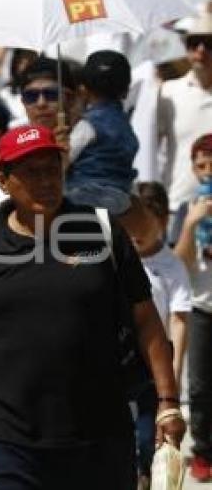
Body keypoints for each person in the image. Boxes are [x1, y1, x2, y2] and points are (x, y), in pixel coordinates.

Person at [0, 124, 185, 490]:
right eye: (31, 173)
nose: (45, 181)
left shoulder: (103, 232)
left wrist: (168, 401)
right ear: (2, 181)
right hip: (10, 443)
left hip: (101, 439)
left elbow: (147, 321)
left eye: (52, 169)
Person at [129, 184, 191, 486]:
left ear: (163, 222)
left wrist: (175, 374)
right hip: (119, 361)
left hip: (154, 366)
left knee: (147, 433)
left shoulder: (172, 265)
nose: (137, 233)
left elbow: (179, 322)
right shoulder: (117, 258)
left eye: (146, 225)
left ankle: (144, 474)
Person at [0, 56, 79, 210]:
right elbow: (4, 212)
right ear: (22, 102)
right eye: (31, 96)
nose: (41, 103)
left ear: (69, 98)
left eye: (51, 94)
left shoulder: (97, 141)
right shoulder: (5, 152)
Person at [173, 133, 212, 481]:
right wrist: (191, 223)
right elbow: (180, 263)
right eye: (199, 165)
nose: (206, 171)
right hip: (203, 307)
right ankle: (204, 451)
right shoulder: (189, 207)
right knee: (199, 385)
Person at [65, 50, 139, 217]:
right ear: (126, 91)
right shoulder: (126, 125)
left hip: (82, 201)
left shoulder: (88, 125)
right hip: (121, 201)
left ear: (84, 90)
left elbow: (64, 159)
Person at [158, 5, 212, 212]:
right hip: (178, 206)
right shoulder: (168, 93)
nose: (201, 50)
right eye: (194, 43)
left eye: (209, 43)